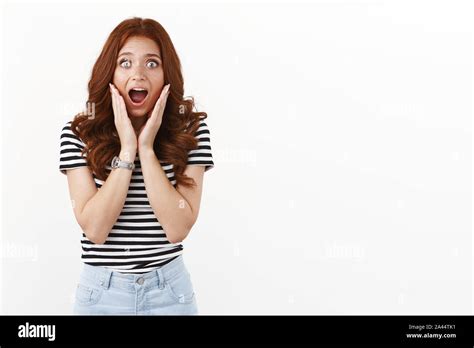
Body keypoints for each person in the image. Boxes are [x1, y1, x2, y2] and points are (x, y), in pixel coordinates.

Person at [58, 17, 214, 315]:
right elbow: (95, 229)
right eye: (125, 63)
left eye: (152, 63)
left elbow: (177, 228)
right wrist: (127, 150)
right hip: (101, 295)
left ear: (167, 74)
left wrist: (146, 148)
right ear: (110, 73)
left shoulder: (191, 131)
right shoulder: (78, 134)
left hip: (169, 292)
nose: (138, 73)